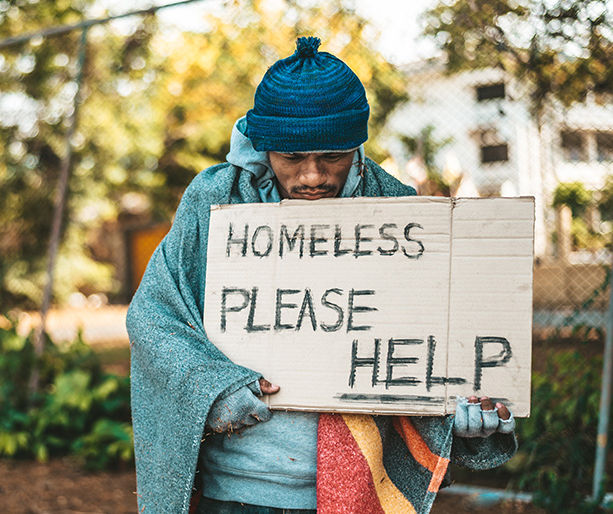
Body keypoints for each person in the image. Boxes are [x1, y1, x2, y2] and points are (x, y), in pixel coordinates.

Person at [126, 37, 517, 514]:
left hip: (358, 490)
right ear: (263, 145)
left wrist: (455, 408)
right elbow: (155, 316)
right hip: (234, 487)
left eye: (332, 155)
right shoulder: (214, 202)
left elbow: (428, 338)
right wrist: (213, 386)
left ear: (358, 145)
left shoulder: (400, 213)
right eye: (292, 157)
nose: (313, 176)